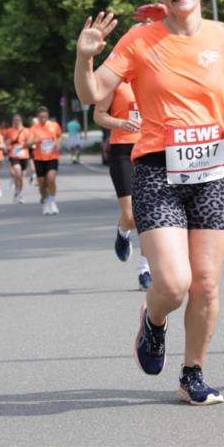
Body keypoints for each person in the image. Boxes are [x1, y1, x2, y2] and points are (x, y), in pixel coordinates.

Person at [75, 0, 224, 405]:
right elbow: (93, 94)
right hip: (157, 171)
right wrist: (85, 58)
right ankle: (154, 320)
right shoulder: (140, 40)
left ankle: (193, 372)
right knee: (173, 283)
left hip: (213, 173)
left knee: (205, 283)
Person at [93, 81, 152, 290]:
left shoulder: (152, 77)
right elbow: (99, 115)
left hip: (150, 149)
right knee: (131, 216)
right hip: (123, 151)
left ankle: (145, 270)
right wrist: (120, 123)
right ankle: (123, 230)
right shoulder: (115, 82)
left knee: (148, 213)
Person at [29, 107, 62, 215]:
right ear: (37, 117)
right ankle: (45, 202)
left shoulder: (54, 125)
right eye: (40, 117)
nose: (43, 119)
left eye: (45, 117)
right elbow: (28, 143)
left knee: (51, 179)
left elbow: (59, 136)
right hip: (39, 158)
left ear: (47, 116)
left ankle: (52, 201)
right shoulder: (33, 128)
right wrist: (34, 140)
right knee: (42, 183)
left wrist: (58, 143)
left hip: (52, 157)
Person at [4, 114, 30, 204]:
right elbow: (6, 142)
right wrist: (7, 146)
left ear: (21, 121)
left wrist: (25, 144)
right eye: (15, 120)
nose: (16, 122)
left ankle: (19, 193)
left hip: (24, 155)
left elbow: (29, 142)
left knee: (22, 177)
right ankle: (17, 192)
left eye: (18, 120)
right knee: (17, 173)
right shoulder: (9, 131)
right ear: (13, 121)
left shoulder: (26, 131)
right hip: (14, 155)